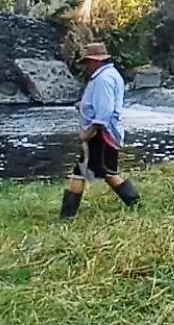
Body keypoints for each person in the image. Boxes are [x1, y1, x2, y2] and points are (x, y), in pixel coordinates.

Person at [60, 42, 140, 221]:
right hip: (103, 134)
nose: (85, 66)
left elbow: (104, 111)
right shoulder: (109, 75)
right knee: (106, 172)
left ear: (95, 61)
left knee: (85, 172)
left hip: (100, 134)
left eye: (87, 62)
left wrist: (88, 133)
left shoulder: (103, 80)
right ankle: (135, 203)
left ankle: (67, 216)